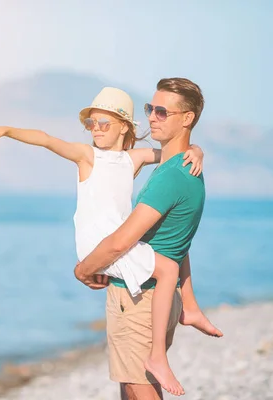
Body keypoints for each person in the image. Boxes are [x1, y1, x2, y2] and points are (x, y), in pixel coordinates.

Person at [0, 86, 218, 397]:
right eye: (92, 124)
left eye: (104, 124)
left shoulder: (134, 159)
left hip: (119, 245)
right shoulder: (87, 156)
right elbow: (47, 139)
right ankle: (182, 320)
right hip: (101, 246)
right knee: (168, 269)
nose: (96, 130)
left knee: (168, 269)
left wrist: (197, 150)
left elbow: (172, 153)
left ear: (124, 127)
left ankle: (168, 341)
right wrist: (5, 131)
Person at [74, 78, 222, 400]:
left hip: (140, 300)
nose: (152, 117)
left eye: (161, 111)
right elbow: (175, 242)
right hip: (161, 301)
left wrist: (83, 270)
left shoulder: (170, 176)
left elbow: (119, 242)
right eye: (149, 109)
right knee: (135, 387)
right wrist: (197, 148)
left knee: (139, 390)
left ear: (187, 119)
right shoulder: (186, 168)